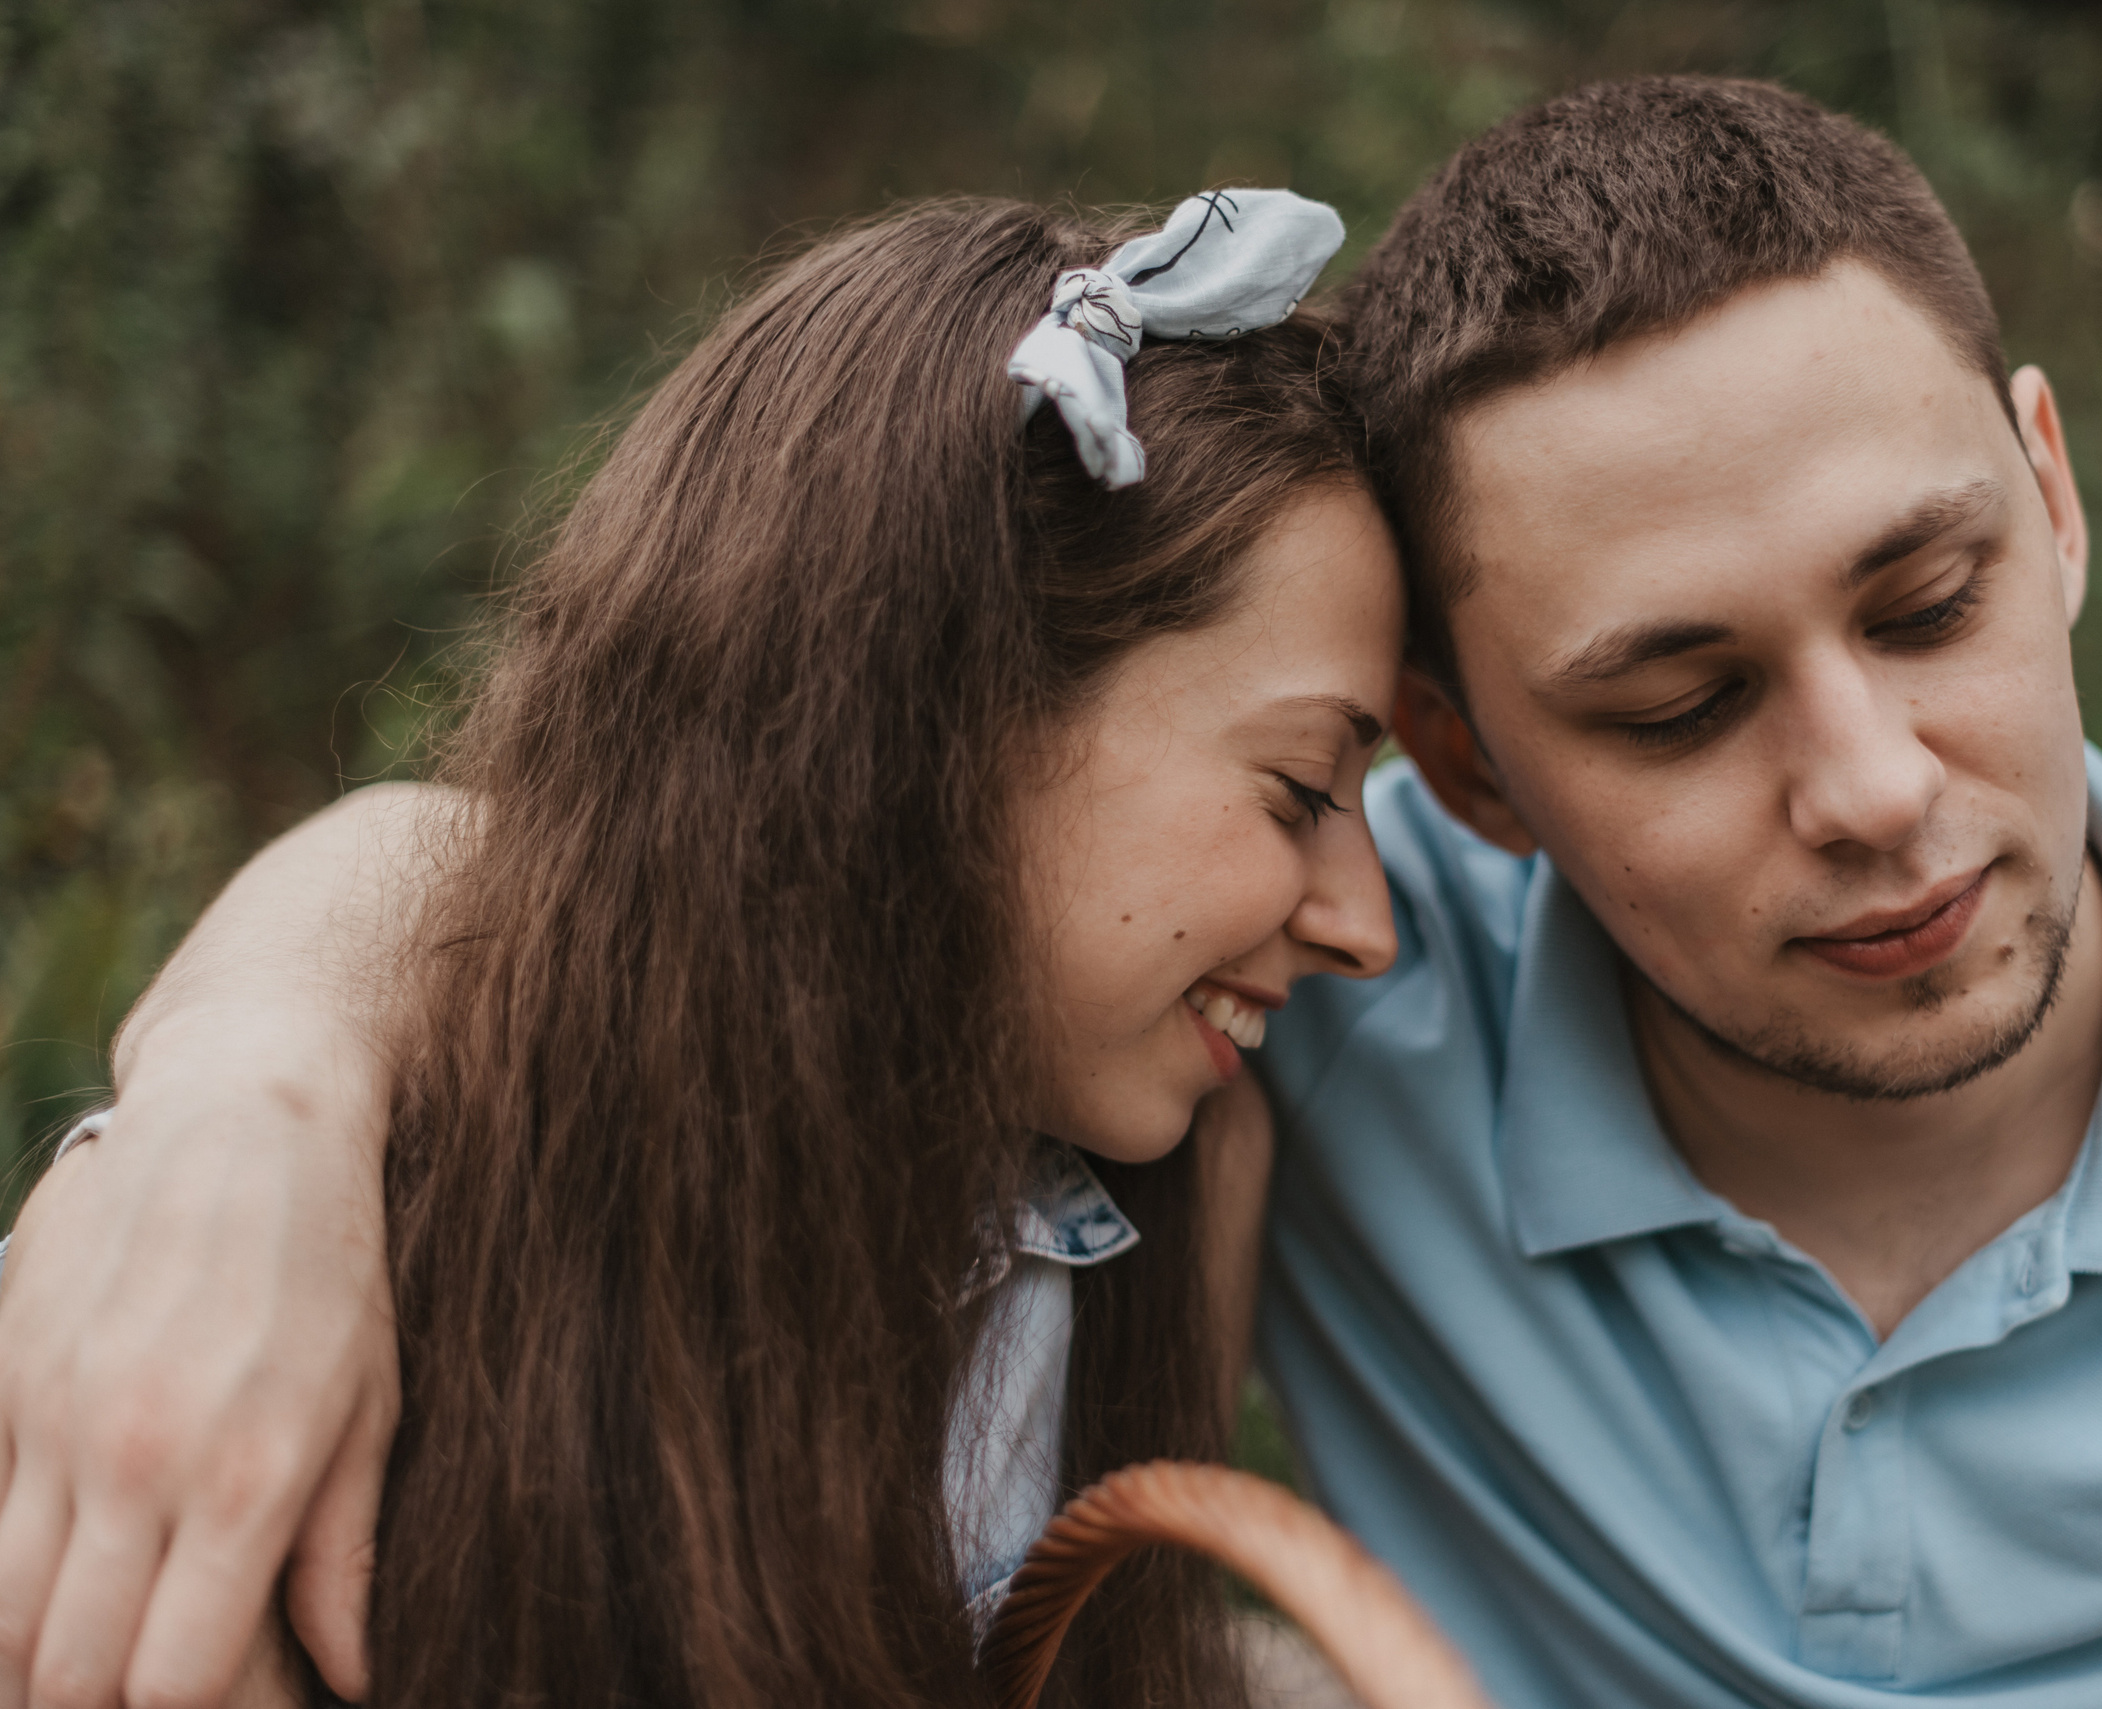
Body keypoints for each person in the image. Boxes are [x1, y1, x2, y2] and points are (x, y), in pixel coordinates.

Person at [4, 71, 2102, 1709]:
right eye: (1670, 707)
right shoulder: (1301, 980)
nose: (1876, 790)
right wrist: (244, 1099)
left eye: (1928, 600)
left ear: (2054, 492)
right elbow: (578, 870)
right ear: (1463, 758)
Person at [0, 188, 1399, 1709]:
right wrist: (246, 1089)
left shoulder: (1146, 1192)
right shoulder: (379, 1263)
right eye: (1301, 786)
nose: (1367, 922)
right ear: (956, 708)